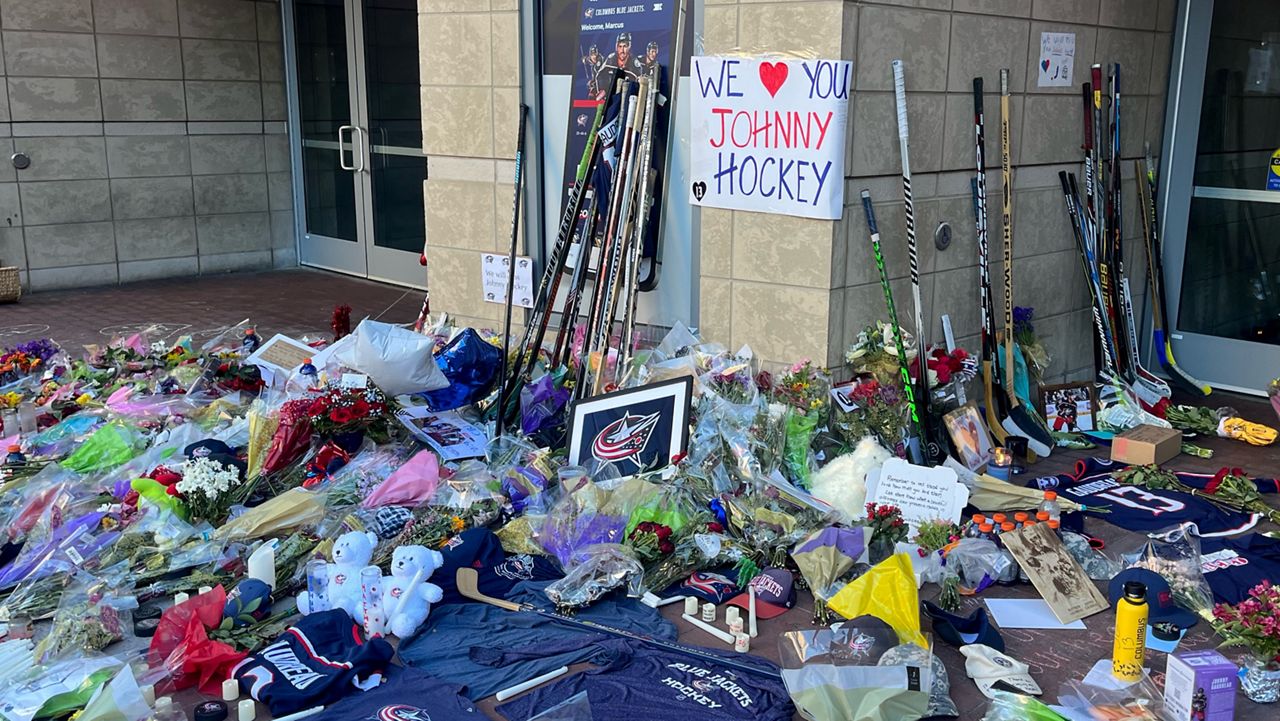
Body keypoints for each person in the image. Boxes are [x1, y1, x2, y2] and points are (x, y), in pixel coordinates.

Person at [596, 32, 643, 98]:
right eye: (620, 46)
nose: (622, 50)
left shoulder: (635, 65)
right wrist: (603, 90)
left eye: (625, 46)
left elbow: (640, 88)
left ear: (629, 47)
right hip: (609, 97)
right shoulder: (611, 59)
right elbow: (600, 75)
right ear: (616, 47)